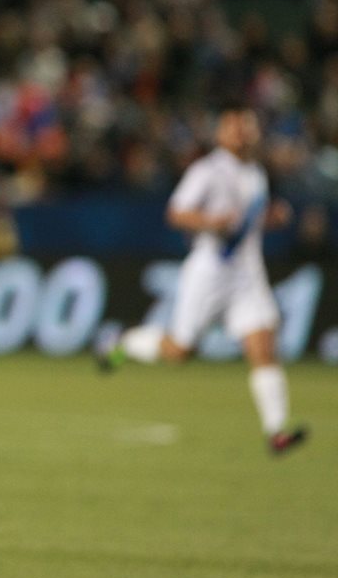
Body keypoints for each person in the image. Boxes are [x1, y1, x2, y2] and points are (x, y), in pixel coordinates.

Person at [97, 105, 308, 454]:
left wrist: (272, 217)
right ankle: (124, 342)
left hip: (247, 274)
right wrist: (212, 222)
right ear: (221, 134)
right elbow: (177, 212)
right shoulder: (207, 170)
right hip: (209, 272)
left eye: (246, 126)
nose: (240, 132)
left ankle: (277, 433)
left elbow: (246, 222)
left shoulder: (255, 172)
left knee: (263, 346)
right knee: (179, 351)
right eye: (233, 127)